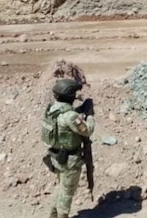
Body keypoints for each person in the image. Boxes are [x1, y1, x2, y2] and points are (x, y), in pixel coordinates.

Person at [41, 79, 96, 218]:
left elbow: (66, 118)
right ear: (71, 96)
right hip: (70, 161)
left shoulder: (52, 109)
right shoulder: (70, 116)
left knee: (60, 187)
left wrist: (79, 110)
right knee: (67, 192)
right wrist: (89, 115)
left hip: (56, 157)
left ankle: (53, 215)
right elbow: (88, 130)